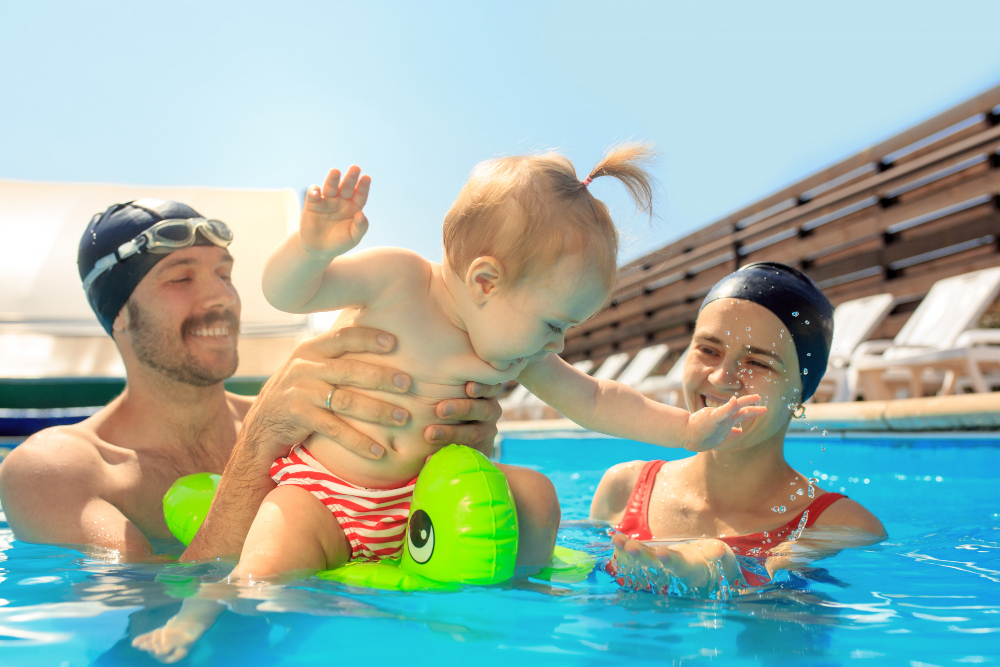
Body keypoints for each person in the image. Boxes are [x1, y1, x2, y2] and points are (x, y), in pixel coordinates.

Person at [131, 146, 768, 662]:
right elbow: (289, 292)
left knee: (537, 493)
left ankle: (518, 618)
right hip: (327, 492)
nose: (560, 342)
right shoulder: (398, 281)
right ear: (486, 281)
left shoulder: (514, 347)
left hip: (422, 509)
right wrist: (316, 247)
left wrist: (689, 429)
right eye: (554, 323)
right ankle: (201, 615)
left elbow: (596, 399)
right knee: (273, 547)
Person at [0, 199, 503, 558]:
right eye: (181, 277)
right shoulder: (55, 471)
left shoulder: (314, 417)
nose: (221, 297)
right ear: (120, 317)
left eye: (225, 273)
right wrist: (258, 444)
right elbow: (159, 618)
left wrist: (455, 436)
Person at [589, 262, 887, 596]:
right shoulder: (624, 488)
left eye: (758, 362)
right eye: (707, 349)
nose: (719, 377)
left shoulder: (843, 527)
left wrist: (730, 583)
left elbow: (806, 638)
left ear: (800, 393)